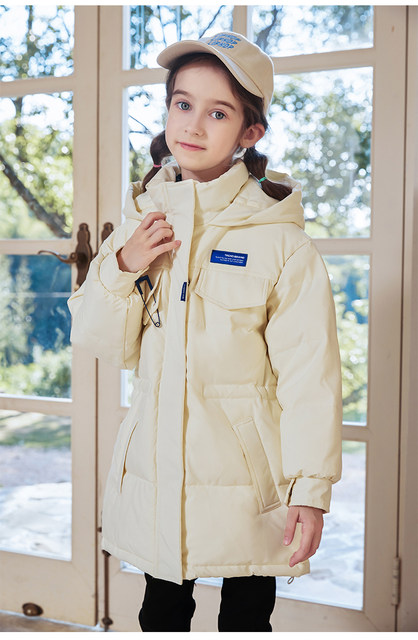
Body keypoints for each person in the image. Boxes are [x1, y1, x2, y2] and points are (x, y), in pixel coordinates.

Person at [68, 31, 342, 632]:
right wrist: (122, 266)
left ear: (249, 132)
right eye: (182, 104)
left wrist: (310, 490)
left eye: (218, 113)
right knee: (160, 614)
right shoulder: (142, 225)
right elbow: (97, 340)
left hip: (252, 485)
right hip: (159, 473)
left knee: (246, 620)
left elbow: (310, 377)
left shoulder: (282, 243)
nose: (192, 124)